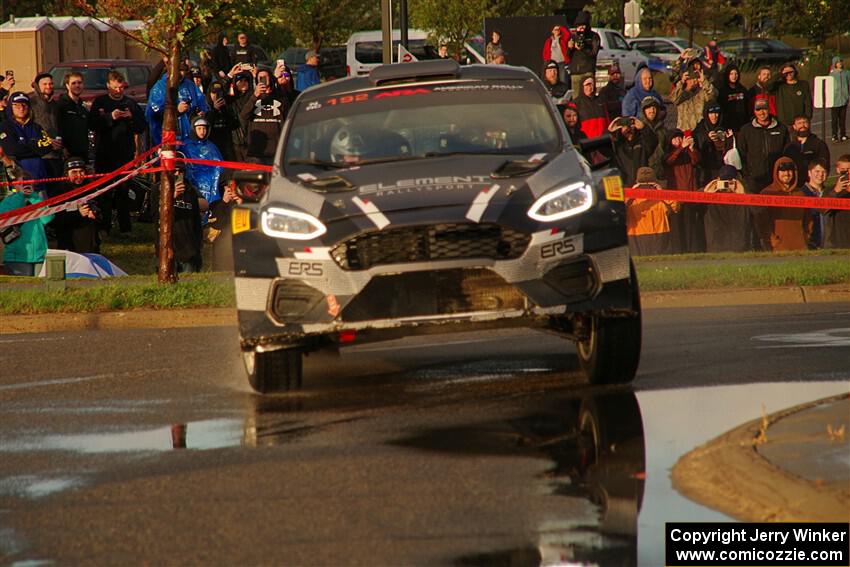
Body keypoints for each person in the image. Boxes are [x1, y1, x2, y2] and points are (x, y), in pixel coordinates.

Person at [88, 71, 146, 234]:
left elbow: (141, 127)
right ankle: (104, 226)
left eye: (121, 88)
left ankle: (125, 228)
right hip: (104, 154)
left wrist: (130, 117)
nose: (118, 91)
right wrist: (110, 117)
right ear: (108, 86)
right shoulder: (100, 102)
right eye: (115, 88)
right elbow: (92, 124)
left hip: (125, 155)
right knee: (104, 192)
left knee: (123, 192)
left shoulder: (130, 103)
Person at [0, 92, 55, 190]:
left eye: (24, 104)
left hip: (38, 176)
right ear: (10, 107)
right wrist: (35, 145)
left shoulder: (36, 127)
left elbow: (47, 146)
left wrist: (25, 146)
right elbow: (11, 149)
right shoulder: (5, 126)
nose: (21, 108)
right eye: (16, 105)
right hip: (17, 178)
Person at [0, 176, 53, 275]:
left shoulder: (37, 199)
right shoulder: (8, 201)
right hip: (17, 256)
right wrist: (20, 196)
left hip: (39, 254)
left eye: (28, 183)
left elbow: (48, 218)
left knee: (41, 284)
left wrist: (34, 198)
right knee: (22, 284)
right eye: (21, 183)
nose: (25, 186)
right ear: (15, 185)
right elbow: (5, 218)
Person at [146, 63, 208, 146]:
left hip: (189, 138)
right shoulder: (160, 87)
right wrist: (176, 111)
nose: (181, 73)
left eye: (183, 70)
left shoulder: (190, 85)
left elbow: (201, 102)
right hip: (166, 138)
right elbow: (153, 114)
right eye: (178, 69)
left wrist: (201, 112)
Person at [737, 97, 789, 194]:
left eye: (764, 109)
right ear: (754, 112)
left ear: (769, 110)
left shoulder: (781, 128)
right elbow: (741, 153)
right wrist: (746, 174)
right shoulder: (746, 130)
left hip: (776, 179)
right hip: (754, 180)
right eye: (758, 110)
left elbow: (786, 152)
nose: (761, 112)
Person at [626, 166, 679, 256]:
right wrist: (632, 193)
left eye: (649, 185)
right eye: (642, 185)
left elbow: (675, 207)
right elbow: (618, 212)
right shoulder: (631, 202)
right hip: (637, 241)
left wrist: (661, 192)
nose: (646, 187)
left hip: (659, 240)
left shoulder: (661, 201)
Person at [663, 129, 701, 252]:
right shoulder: (668, 154)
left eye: (680, 137)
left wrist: (691, 148)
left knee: (691, 225)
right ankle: (678, 251)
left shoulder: (687, 153)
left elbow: (696, 161)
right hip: (675, 197)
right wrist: (680, 148)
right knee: (677, 226)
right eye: (675, 138)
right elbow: (669, 161)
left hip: (690, 194)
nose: (678, 140)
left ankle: (692, 250)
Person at [757, 157, 807, 251]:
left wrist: (806, 237)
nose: (786, 174)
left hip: (800, 246)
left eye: (789, 170)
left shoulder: (800, 194)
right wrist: (772, 240)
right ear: (776, 172)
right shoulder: (767, 193)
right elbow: (762, 221)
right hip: (777, 247)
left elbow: (808, 220)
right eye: (782, 170)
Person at [240, 68, 288, 164]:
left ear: (270, 78)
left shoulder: (280, 97)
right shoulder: (250, 96)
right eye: (260, 77)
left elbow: (287, 118)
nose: (263, 79)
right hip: (256, 150)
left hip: (276, 149)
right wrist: (255, 96)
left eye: (265, 77)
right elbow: (243, 116)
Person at [53, 158, 100, 253]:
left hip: (89, 239)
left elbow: (102, 209)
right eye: (74, 172)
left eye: (81, 171)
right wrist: (78, 214)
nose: (79, 175)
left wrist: (95, 212)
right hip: (68, 240)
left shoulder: (91, 189)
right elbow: (54, 220)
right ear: (66, 174)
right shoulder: (59, 192)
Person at [183, 116, 223, 222]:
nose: (202, 131)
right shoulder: (186, 145)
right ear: (194, 129)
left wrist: (214, 184)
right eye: (199, 128)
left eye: (204, 128)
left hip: (211, 184)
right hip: (193, 182)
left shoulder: (211, 146)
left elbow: (219, 165)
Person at [28, 72, 63, 193]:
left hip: (56, 155)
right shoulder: (31, 104)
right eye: (45, 84)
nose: (48, 86)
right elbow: (28, 128)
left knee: (56, 191)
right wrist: (45, 142)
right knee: (41, 193)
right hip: (39, 157)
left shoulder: (54, 105)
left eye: (51, 84)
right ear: (37, 86)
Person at [702, 164, 749, 252]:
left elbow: (759, 210)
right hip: (716, 246)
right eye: (723, 181)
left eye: (730, 181)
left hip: (738, 247)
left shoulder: (742, 194)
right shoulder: (710, 194)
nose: (726, 184)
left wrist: (744, 194)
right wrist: (704, 193)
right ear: (717, 180)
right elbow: (690, 205)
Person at [170, 161, 206, 273]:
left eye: (180, 171)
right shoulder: (159, 188)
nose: (177, 174)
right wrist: (172, 196)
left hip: (189, 247)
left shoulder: (191, 191)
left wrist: (198, 245)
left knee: (190, 280)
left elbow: (197, 218)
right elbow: (156, 213)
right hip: (169, 246)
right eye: (174, 171)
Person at [607, 115, 658, 187]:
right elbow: (602, 149)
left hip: (640, 185)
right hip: (622, 186)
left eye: (631, 126)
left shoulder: (642, 144)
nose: (628, 129)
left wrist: (644, 128)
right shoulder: (616, 145)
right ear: (620, 129)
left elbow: (654, 141)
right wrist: (609, 131)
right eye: (625, 127)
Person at [782, 115, 830, 188]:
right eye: (799, 123)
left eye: (805, 122)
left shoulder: (819, 144)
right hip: (795, 186)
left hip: (814, 185)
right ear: (794, 126)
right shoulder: (789, 147)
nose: (802, 125)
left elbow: (825, 165)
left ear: (809, 124)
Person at [694, 103, 733, 186]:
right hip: (705, 173)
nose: (715, 116)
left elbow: (730, 152)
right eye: (711, 113)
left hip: (723, 171)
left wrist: (729, 139)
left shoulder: (725, 128)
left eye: (717, 113)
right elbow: (697, 153)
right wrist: (707, 138)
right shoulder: (699, 130)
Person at [55, 72, 90, 161]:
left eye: (79, 83)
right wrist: (63, 148)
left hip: (83, 153)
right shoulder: (61, 106)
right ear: (67, 85)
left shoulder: (83, 106)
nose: (77, 85)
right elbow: (57, 129)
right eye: (73, 83)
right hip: (67, 154)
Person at [671, 67, 716, 133]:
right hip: (684, 131)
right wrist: (681, 83)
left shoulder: (701, 92)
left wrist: (705, 82)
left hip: (700, 131)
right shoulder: (682, 93)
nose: (694, 81)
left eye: (696, 78)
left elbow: (713, 96)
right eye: (691, 79)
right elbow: (674, 100)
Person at [567, 11, 600, 95]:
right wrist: (570, 48)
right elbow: (568, 55)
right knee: (576, 97)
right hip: (575, 72)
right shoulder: (573, 37)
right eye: (579, 26)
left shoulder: (593, 36)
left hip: (587, 71)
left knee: (588, 95)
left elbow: (593, 53)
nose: (581, 28)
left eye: (583, 25)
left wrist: (583, 48)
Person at [800, 158, 828, 249]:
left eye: (823, 172)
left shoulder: (829, 193)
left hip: (828, 244)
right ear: (809, 173)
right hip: (810, 242)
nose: (820, 174)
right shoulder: (801, 193)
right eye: (817, 171)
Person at [823, 154, 850, 248]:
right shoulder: (829, 190)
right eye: (843, 170)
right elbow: (823, 209)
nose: (847, 173)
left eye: (849, 170)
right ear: (838, 170)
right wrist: (835, 191)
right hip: (838, 241)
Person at [639, 96, 667, 181]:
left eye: (654, 107)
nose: (652, 110)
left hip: (661, 173)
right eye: (648, 108)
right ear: (643, 111)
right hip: (644, 173)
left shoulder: (663, 129)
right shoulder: (638, 129)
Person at [716, 64, 749, 132]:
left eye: (736, 74)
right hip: (728, 125)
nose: (734, 76)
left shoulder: (743, 89)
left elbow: (747, 106)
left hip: (742, 124)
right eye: (731, 74)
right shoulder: (723, 91)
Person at [574, 74, 607, 139]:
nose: (589, 87)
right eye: (587, 85)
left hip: (603, 139)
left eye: (592, 85)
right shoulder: (576, 103)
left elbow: (607, 119)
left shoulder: (601, 101)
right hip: (587, 140)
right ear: (582, 87)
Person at [829, 57, 850, 142]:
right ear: (835, 64)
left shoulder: (847, 73)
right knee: (834, 119)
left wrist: (847, 95)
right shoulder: (832, 74)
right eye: (837, 62)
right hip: (834, 100)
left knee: (842, 119)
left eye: (840, 61)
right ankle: (834, 135)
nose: (840, 63)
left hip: (844, 99)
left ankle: (843, 134)